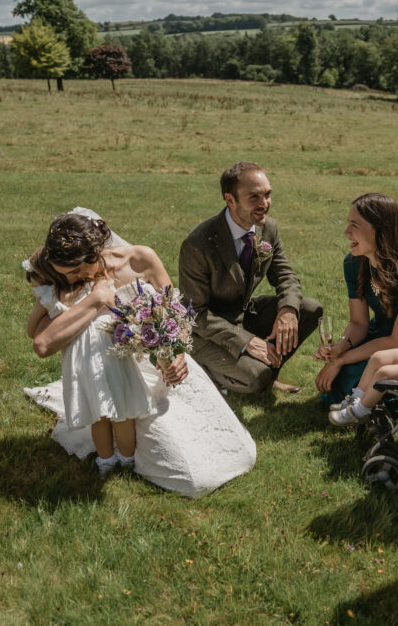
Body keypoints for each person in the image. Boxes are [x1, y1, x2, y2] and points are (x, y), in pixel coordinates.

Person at [23, 208, 257, 498]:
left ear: (96, 251)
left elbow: (177, 312)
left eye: (75, 271)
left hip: (163, 365)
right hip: (117, 374)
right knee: (188, 474)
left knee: (235, 452)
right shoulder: (68, 282)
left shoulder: (141, 259)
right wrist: (94, 300)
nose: (72, 278)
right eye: (66, 274)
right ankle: (117, 457)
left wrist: (179, 353)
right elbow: (39, 338)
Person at [178, 162, 323, 395]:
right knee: (256, 378)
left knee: (308, 308)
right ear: (230, 199)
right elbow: (194, 314)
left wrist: (287, 310)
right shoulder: (198, 243)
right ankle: (215, 369)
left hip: (244, 314)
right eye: (254, 197)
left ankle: (269, 370)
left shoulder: (268, 229)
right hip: (205, 331)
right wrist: (246, 341)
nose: (264, 204)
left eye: (267, 195)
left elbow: (285, 275)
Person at [314, 193, 398, 408]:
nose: (346, 232)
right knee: (349, 374)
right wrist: (340, 347)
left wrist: (341, 359)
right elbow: (359, 323)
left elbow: (397, 340)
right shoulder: (353, 263)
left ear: (380, 230)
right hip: (383, 332)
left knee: (362, 374)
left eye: (354, 225)